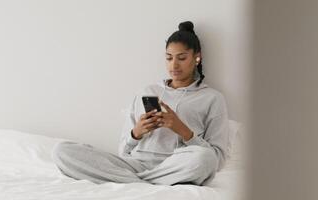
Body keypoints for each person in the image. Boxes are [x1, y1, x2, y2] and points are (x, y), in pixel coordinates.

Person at [52, 21, 230, 186]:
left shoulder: (212, 98)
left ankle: (129, 181)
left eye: (181, 58)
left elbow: (217, 160)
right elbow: (123, 151)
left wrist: (181, 128)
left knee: (205, 159)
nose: (174, 65)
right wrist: (136, 132)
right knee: (62, 151)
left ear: (197, 58)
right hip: (135, 164)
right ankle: (147, 183)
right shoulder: (148, 92)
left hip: (177, 166)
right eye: (169, 58)